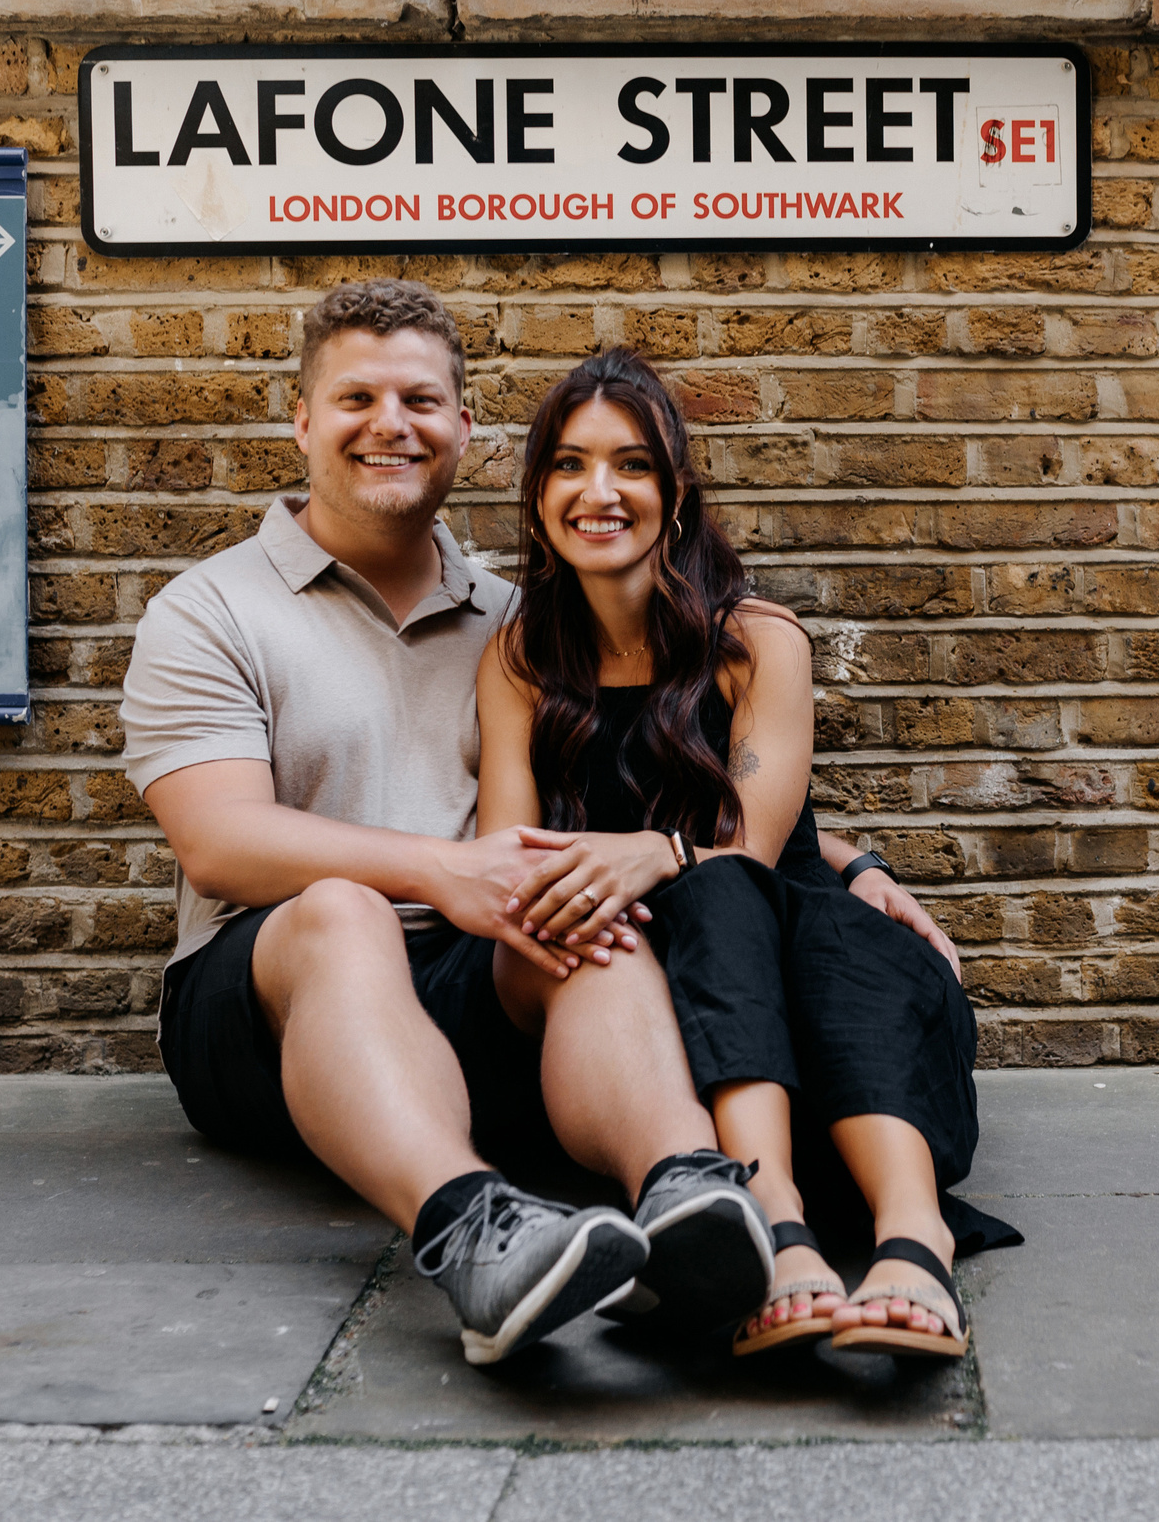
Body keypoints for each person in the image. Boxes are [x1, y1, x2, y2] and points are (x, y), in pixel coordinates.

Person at [118, 280, 952, 1364]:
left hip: (477, 970)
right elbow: (218, 841)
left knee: (581, 915)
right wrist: (442, 872)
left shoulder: (519, 620)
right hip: (266, 997)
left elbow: (636, 781)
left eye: (420, 399)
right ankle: (472, 1230)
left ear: (464, 429)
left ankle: (692, 1197)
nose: (389, 424)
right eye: (355, 397)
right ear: (303, 422)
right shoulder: (211, 610)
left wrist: (833, 861)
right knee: (345, 913)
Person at [476, 348, 1017, 1363]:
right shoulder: (519, 661)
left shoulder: (755, 640)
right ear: (538, 493)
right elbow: (510, 854)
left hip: (788, 953)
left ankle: (914, 1237)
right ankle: (781, 1226)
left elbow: (754, 848)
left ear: (675, 496)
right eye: (568, 465)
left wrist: (660, 855)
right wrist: (614, 878)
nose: (600, 493)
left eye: (631, 466)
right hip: (644, 996)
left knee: (798, 922)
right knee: (722, 898)